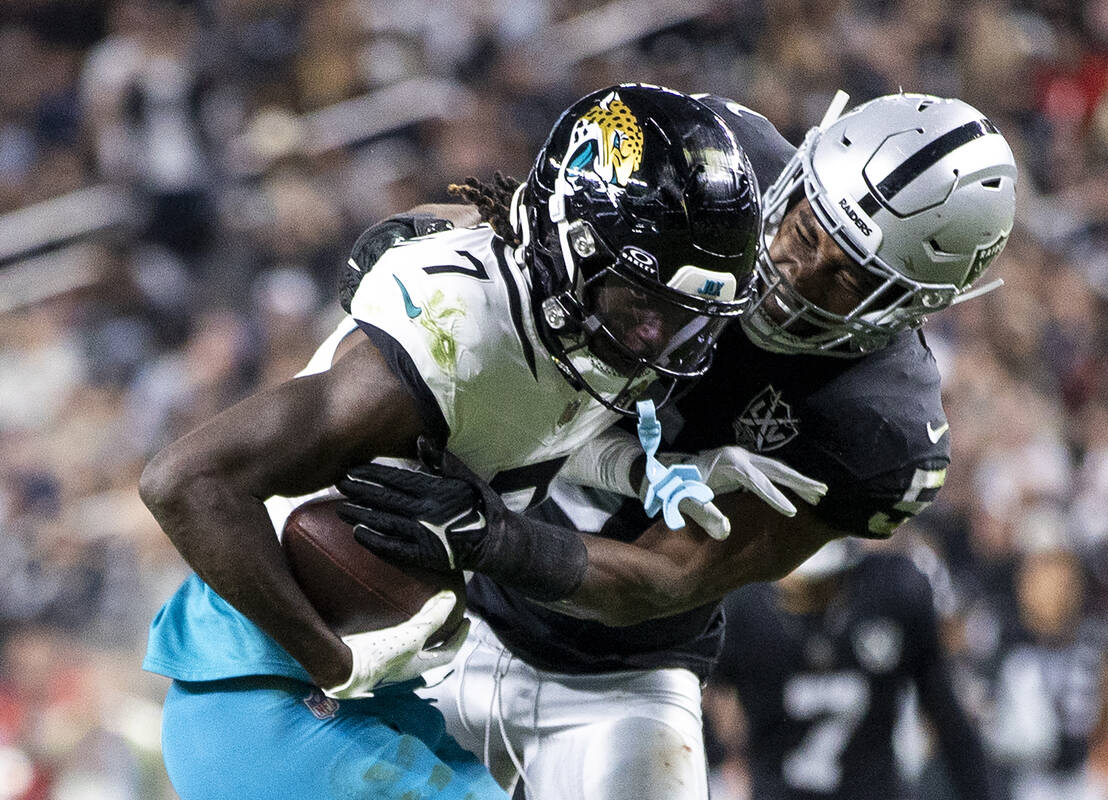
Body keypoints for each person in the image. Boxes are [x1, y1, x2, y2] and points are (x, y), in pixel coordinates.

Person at [334, 90, 1019, 799]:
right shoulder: (716, 168)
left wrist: (494, 536)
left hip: (625, 677)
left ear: (912, 306)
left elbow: (665, 580)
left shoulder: (879, 425)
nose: (796, 270)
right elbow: (532, 227)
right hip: (460, 613)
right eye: (806, 229)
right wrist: (434, 248)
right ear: (794, 178)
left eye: (848, 278)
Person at [135, 83, 762, 800]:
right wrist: (331, 657)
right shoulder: (455, 341)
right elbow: (184, 480)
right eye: (643, 304)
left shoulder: (572, 313)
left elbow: (512, 421)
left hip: (379, 694)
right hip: (266, 692)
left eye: (687, 319)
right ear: (576, 244)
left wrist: (636, 469)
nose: (658, 338)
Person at [708, 540, 995, 800]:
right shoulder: (744, 611)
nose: (809, 596)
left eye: (822, 585)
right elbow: (705, 707)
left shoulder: (892, 592)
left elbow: (945, 712)